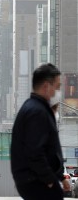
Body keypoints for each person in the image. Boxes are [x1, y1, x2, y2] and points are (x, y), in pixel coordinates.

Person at [10, 63, 70, 200]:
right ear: (46, 86)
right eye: (58, 86)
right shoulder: (37, 112)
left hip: (34, 180)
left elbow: (48, 149)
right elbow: (35, 151)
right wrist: (49, 179)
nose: (59, 91)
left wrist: (60, 177)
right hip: (37, 181)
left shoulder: (35, 108)